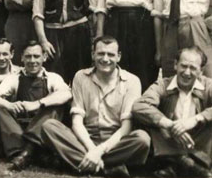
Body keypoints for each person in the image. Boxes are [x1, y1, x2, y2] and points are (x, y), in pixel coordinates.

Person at [41, 36, 150, 178]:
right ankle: (107, 169)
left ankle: (86, 164)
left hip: (116, 142)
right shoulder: (81, 77)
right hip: (86, 139)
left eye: (110, 54)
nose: (105, 59)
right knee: (49, 126)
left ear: (119, 57)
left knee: (142, 139)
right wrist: (92, 149)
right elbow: (77, 121)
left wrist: (99, 151)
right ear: (93, 55)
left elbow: (126, 127)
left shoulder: (132, 81)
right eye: (100, 53)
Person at [0, 41, 72, 171]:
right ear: (22, 58)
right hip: (20, 129)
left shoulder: (52, 77)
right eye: (28, 56)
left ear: (44, 57)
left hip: (42, 129)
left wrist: (38, 104)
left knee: (55, 104)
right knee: (0, 106)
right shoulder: (14, 78)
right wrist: (9, 105)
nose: (32, 61)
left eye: (36, 56)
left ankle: (27, 152)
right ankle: (34, 154)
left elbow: (67, 94)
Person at [132, 46, 212, 177]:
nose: (187, 72)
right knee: (152, 125)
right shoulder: (163, 85)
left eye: (193, 68)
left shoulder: (208, 85)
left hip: (197, 143)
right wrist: (168, 124)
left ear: (201, 71)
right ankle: (184, 164)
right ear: (175, 65)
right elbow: (139, 105)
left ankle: (178, 165)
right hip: (170, 141)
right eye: (183, 66)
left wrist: (195, 119)